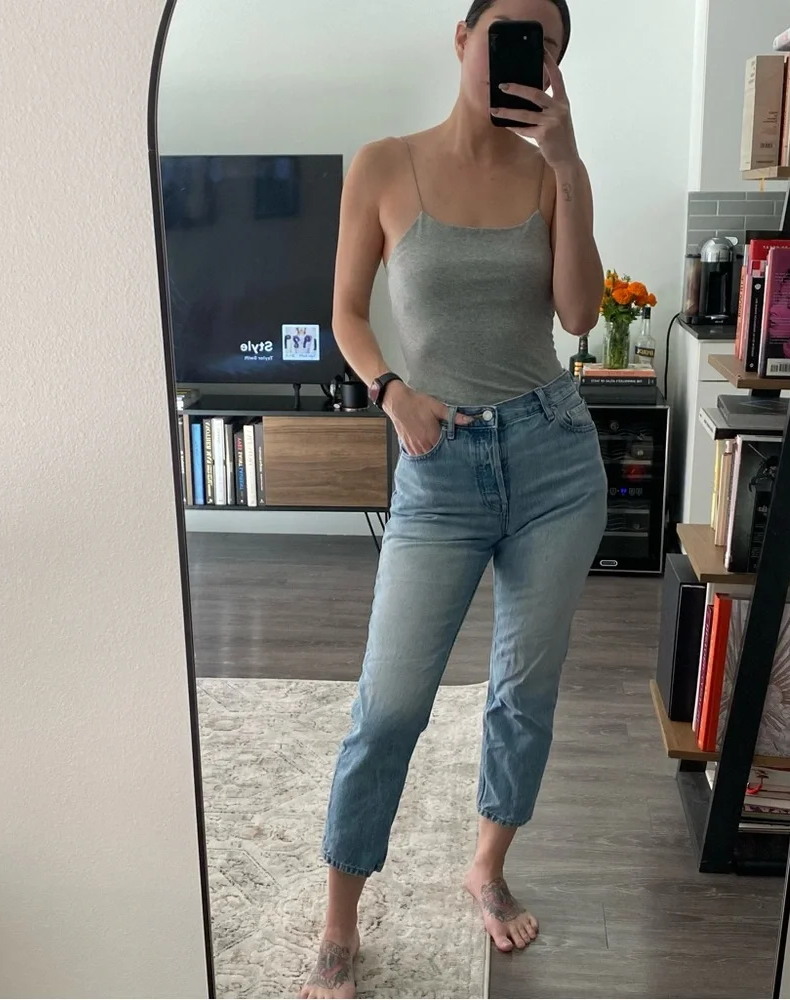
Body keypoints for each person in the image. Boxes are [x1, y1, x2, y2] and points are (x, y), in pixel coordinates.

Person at [301, 0, 605, 995]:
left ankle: (487, 865)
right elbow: (346, 314)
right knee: (388, 707)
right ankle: (339, 921)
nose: (523, 52)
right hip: (438, 463)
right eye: (507, 30)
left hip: (554, 460)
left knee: (524, 692)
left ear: (552, 66)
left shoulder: (548, 174)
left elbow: (577, 314)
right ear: (463, 38)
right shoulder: (383, 165)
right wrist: (392, 392)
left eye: (543, 43)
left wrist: (570, 167)